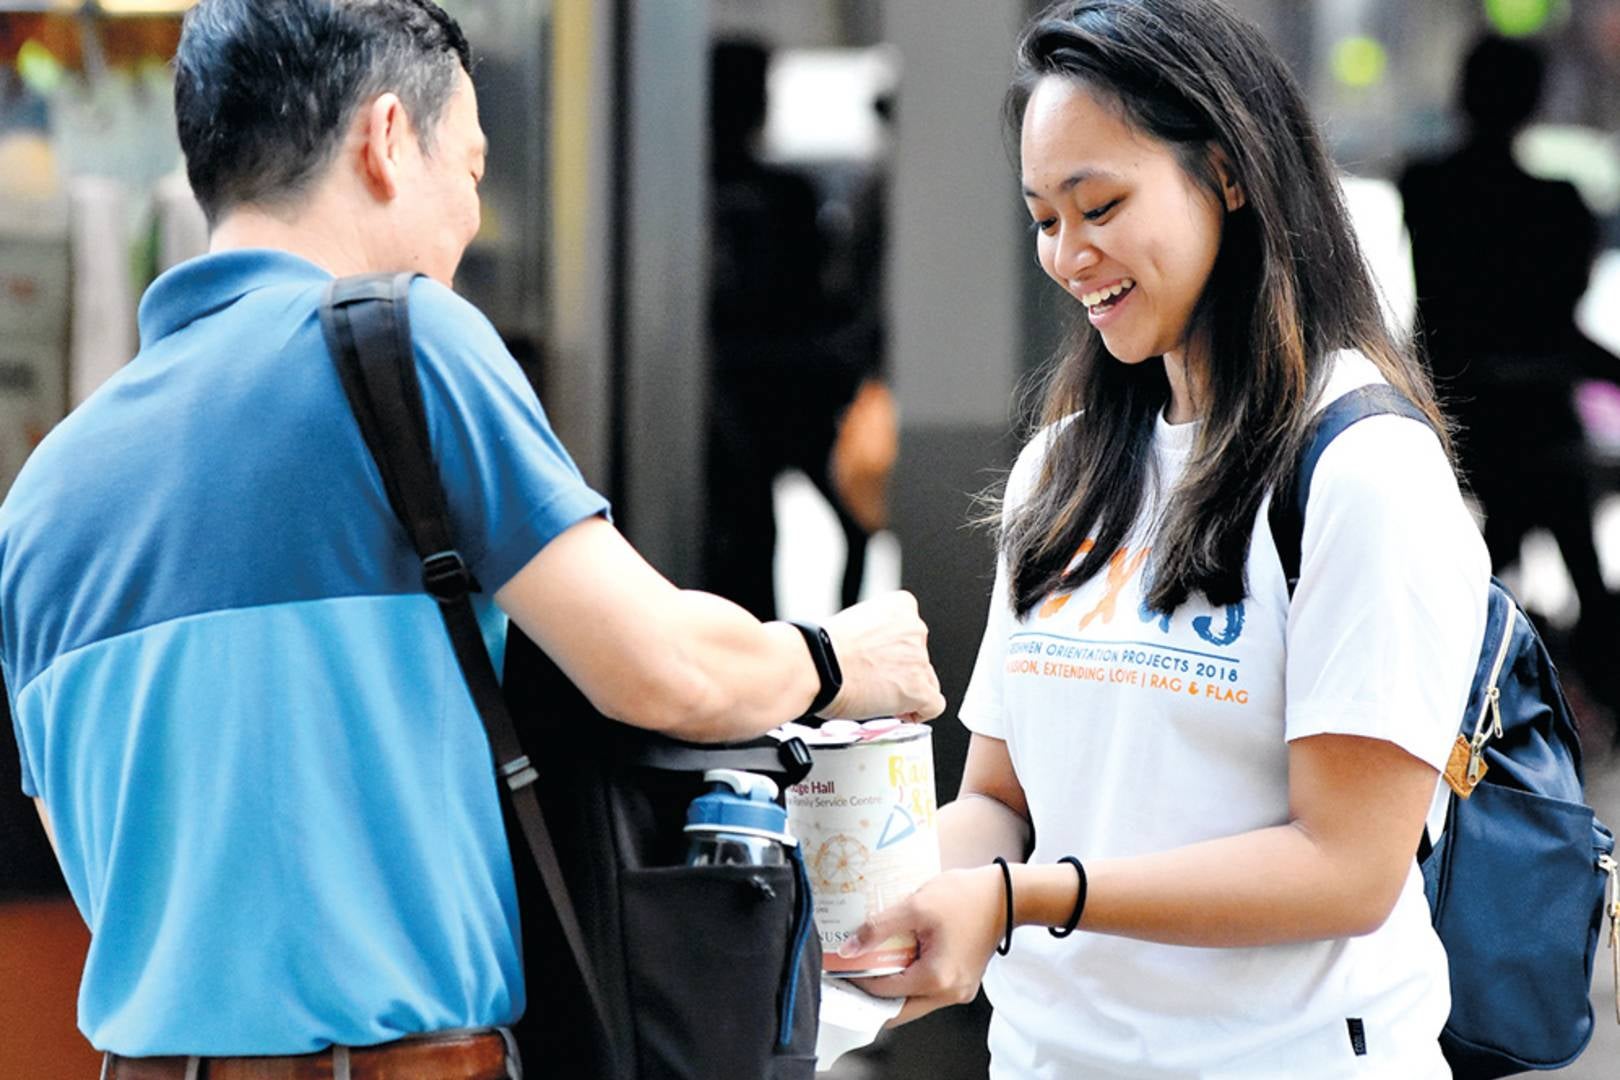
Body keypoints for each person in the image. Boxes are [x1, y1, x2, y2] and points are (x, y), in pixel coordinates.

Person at [0, 2, 944, 1077]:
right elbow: (663, 669)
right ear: (386, 138)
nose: (469, 215)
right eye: (472, 167)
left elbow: (98, 864)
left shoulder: (44, 494)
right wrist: (836, 658)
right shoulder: (401, 345)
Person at [838, 1, 1488, 1075]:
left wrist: (1023, 899)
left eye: (1100, 205)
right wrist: (860, 904)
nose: (1068, 254)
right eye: (1044, 217)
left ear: (1228, 173)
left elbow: (1347, 869)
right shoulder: (1063, 468)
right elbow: (1000, 802)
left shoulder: (1363, 469)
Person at [1399, 34, 1620, 720]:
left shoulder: (1426, 189)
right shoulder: (1557, 204)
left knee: (1478, 580)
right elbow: (1558, 329)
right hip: (1535, 428)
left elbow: (1435, 324)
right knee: (1578, 576)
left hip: (1462, 420)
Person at [704, 38, 891, 618]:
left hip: (765, 386)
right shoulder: (777, 195)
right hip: (775, 388)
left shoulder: (772, 192)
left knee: (759, 531)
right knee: (760, 531)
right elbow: (821, 297)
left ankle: (825, 640)